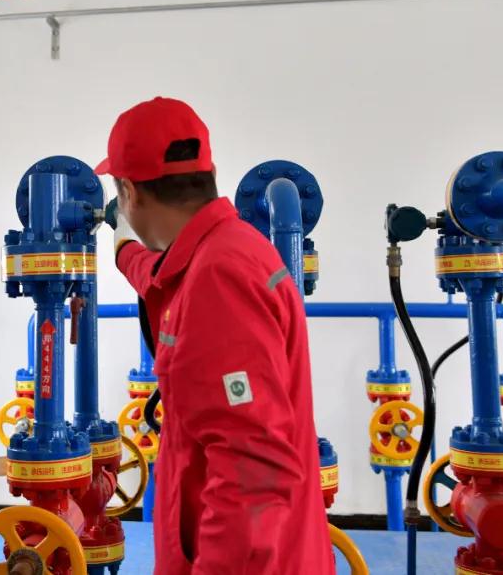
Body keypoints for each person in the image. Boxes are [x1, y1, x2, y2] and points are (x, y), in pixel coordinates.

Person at [96, 97, 333, 574]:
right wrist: (123, 247)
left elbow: (254, 472)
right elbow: (158, 276)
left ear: (129, 192)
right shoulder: (225, 251)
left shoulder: (218, 280)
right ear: (210, 174)